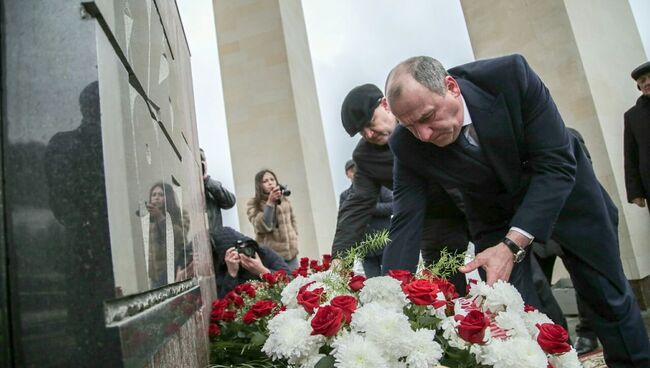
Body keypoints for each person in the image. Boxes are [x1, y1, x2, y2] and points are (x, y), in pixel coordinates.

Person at [384, 54, 650, 367]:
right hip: (494, 219)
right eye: (410, 126)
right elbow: (404, 219)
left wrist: (512, 244)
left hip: (568, 198)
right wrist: (388, 297)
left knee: (608, 299)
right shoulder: (406, 143)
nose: (424, 135)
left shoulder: (509, 76)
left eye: (428, 117)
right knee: (512, 315)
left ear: (451, 87)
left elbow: (556, 165)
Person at [332, 83, 468, 294]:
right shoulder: (365, 157)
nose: (368, 133)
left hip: (473, 201)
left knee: (499, 278)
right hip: (434, 222)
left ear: (385, 104)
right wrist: (340, 259)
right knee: (450, 291)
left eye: (370, 122)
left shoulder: (420, 121)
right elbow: (357, 205)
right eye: (361, 131)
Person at [339, 159, 392, 277]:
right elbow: (343, 221)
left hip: (386, 245)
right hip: (365, 250)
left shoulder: (379, 187)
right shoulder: (344, 196)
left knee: (394, 282)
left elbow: (393, 206)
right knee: (373, 286)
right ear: (347, 174)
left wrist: (370, 208)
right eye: (352, 170)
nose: (356, 172)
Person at [213, 227, 290, 298]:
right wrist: (232, 274)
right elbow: (224, 303)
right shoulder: (225, 268)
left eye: (245, 246)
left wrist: (261, 271)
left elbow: (291, 280)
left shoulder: (263, 252)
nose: (246, 253)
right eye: (238, 250)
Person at [246, 169, 299, 270]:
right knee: (281, 283)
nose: (270, 182)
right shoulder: (253, 203)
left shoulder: (284, 199)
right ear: (259, 185)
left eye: (272, 179)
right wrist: (270, 203)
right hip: (273, 255)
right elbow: (260, 226)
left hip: (292, 253)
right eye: (265, 181)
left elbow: (293, 219)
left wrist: (294, 235)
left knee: (297, 281)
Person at [145, 182, 190, 288]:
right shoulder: (148, 219)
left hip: (175, 271)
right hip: (156, 277)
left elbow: (179, 236)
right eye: (154, 195)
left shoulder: (181, 214)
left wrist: (160, 218)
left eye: (161, 195)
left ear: (168, 197)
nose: (156, 198)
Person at [624, 61, 650, 215]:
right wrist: (635, 192)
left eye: (649, 78)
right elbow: (630, 155)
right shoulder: (632, 116)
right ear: (639, 86)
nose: (647, 82)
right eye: (642, 80)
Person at [201, 148, 236, 233]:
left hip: (214, 239)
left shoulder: (212, 186)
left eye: (203, 160)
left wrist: (206, 180)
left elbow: (230, 201)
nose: (201, 163)